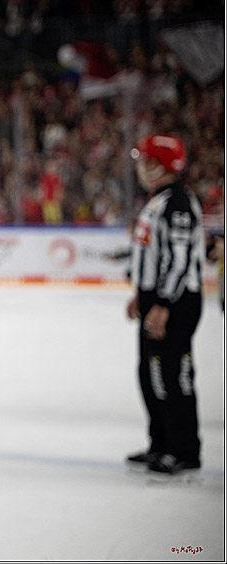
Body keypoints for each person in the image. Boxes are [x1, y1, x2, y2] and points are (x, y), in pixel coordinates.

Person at [124, 134, 204, 476]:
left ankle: (184, 450)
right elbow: (153, 256)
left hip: (175, 304)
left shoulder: (177, 204)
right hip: (156, 301)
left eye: (146, 161)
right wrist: (140, 295)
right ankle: (161, 443)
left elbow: (179, 259)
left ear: (160, 165)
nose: (140, 167)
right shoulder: (159, 201)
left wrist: (163, 303)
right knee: (151, 376)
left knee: (174, 377)